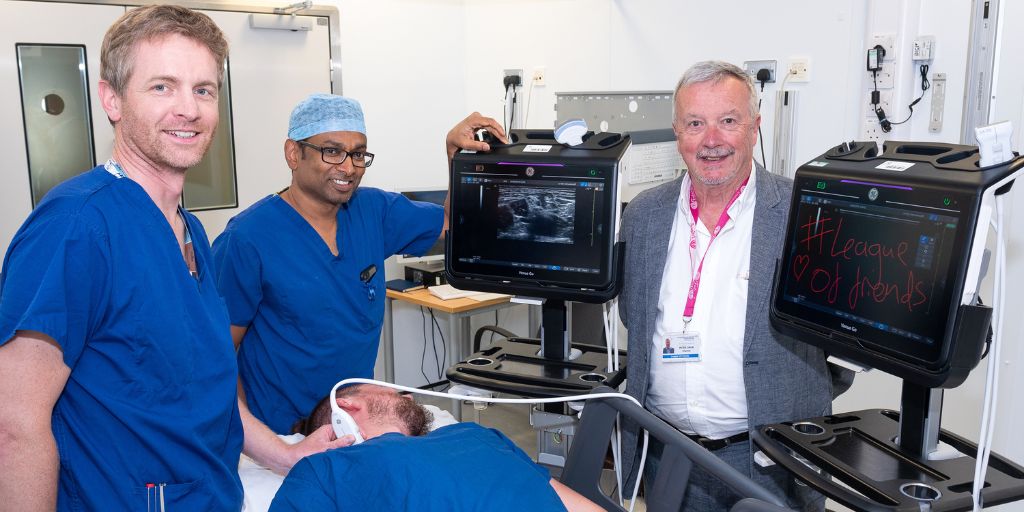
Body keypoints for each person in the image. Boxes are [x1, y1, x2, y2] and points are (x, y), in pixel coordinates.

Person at [0, 6, 245, 509]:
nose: (189, 109)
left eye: (203, 90)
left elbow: (202, 395)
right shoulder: (76, 227)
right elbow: (14, 425)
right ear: (111, 99)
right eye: (162, 87)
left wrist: (286, 452)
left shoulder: (190, 230)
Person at [618, 61, 854, 511]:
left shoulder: (805, 214)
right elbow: (636, 317)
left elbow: (840, 347)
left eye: (728, 121)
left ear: (754, 126)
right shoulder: (643, 216)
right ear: (676, 133)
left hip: (771, 460)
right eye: (695, 123)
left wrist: (793, 396)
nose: (711, 140)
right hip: (667, 455)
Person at [211, 94, 506, 434]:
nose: (349, 167)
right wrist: (255, 441)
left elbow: (450, 224)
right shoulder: (247, 239)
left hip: (355, 426)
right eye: (332, 151)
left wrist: (457, 157)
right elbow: (218, 353)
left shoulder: (373, 210)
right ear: (293, 153)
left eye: (358, 153)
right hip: (282, 433)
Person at [269, 384, 601, 512]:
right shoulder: (323, 471)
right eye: (389, 390)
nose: (407, 394)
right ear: (347, 407)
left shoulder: (475, 434)